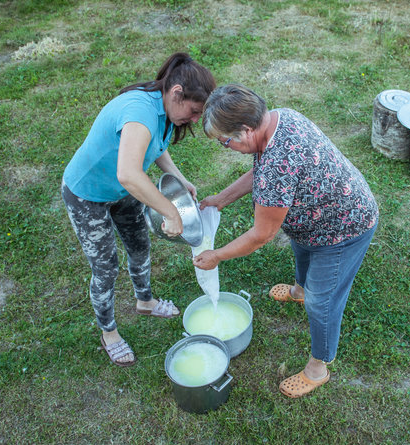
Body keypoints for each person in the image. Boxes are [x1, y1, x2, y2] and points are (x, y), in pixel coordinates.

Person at [193, 84, 378, 398]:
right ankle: (298, 290)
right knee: (302, 251)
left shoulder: (278, 167)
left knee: (324, 303)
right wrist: (222, 198)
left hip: (343, 229)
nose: (225, 147)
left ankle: (318, 368)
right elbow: (261, 170)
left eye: (225, 141)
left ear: (246, 129)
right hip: (314, 219)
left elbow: (261, 235)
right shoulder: (278, 119)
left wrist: (216, 256)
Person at [62, 52, 215, 367]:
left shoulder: (166, 111)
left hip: (124, 190)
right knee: (106, 267)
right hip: (88, 194)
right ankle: (109, 333)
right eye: (195, 111)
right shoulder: (139, 112)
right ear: (176, 93)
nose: (196, 120)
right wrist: (171, 213)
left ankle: (145, 302)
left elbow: (156, 148)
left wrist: (180, 179)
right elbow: (129, 174)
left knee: (139, 245)